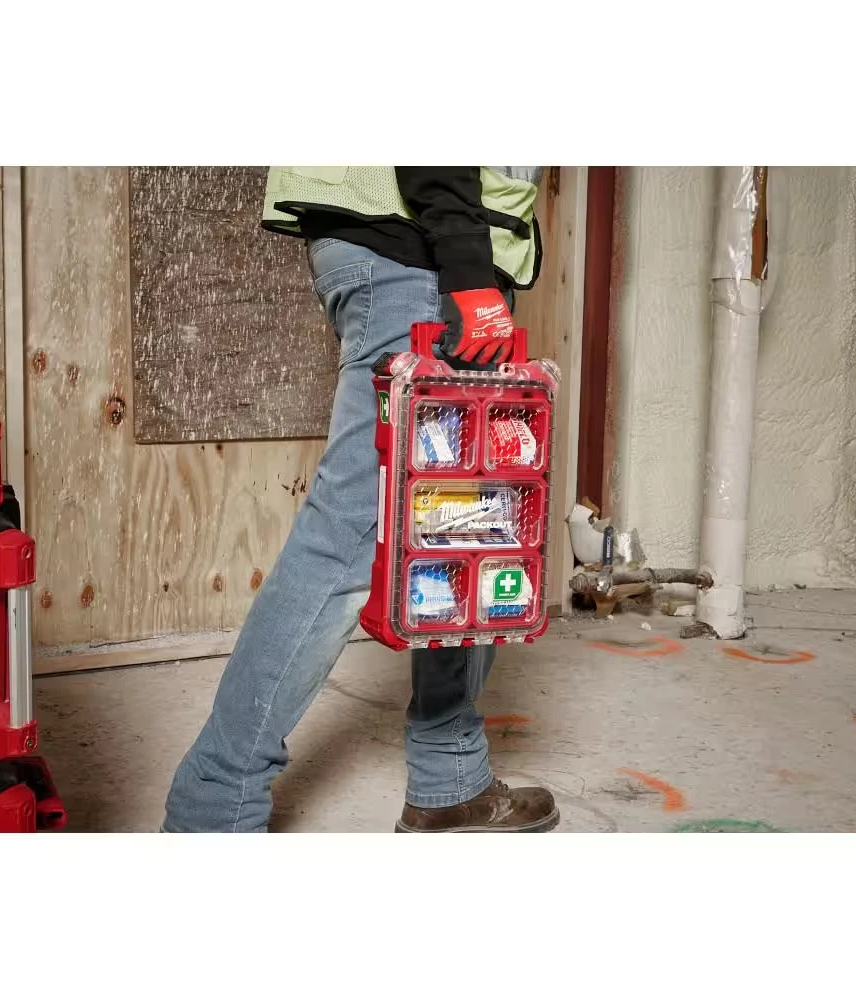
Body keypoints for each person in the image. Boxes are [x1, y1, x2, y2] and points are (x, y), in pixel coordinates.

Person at [162, 167, 559, 833]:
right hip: (423, 257)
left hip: (420, 250)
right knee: (352, 537)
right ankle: (212, 808)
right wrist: (466, 268)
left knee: (458, 526)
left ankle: (449, 779)